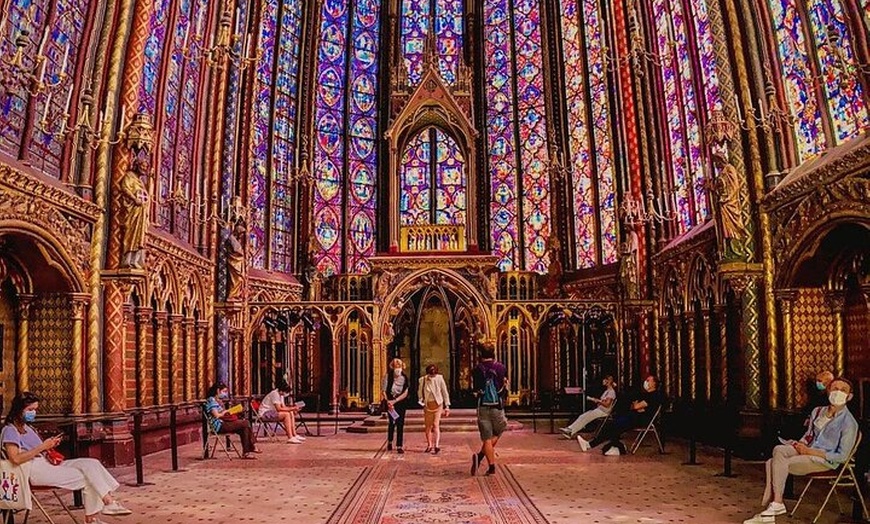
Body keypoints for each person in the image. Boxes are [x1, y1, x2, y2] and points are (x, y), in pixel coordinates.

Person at [1, 392, 132, 523]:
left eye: (35, 409)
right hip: (32, 470)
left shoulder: (28, 428)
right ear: (19, 410)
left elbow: (39, 450)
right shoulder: (10, 430)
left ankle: (106, 505)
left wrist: (49, 445)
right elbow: (16, 459)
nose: (33, 413)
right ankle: (96, 514)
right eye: (30, 410)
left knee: (92, 464)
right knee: (90, 477)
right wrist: (42, 447)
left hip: (46, 462)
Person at [743, 378, 858, 523]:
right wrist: (800, 444)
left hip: (823, 460)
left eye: (843, 390)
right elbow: (809, 435)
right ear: (828, 391)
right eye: (834, 388)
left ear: (849, 396)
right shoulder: (818, 411)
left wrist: (810, 452)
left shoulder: (849, 423)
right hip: (808, 449)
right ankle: (775, 505)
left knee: (775, 463)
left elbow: (841, 456)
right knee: (779, 449)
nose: (837, 392)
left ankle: (774, 505)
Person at [577, 375, 664, 455]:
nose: (646, 382)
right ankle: (600, 445)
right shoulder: (645, 394)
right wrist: (636, 406)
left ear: (654, 384)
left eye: (648, 380)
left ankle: (598, 445)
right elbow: (635, 406)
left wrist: (636, 406)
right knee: (612, 425)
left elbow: (636, 406)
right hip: (634, 416)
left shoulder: (654, 396)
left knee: (613, 426)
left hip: (640, 419)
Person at [471, 345, 508, 476]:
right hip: (497, 406)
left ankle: (489, 465)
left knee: (486, 438)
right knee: (499, 430)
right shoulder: (501, 367)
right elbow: (505, 384)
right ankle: (481, 456)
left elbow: (475, 391)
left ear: (481, 355)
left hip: (483, 406)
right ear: (494, 353)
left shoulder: (477, 369)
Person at [204, 383, 259, 458]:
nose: (225, 394)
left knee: (244, 428)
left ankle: (247, 452)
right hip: (219, 425)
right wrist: (224, 412)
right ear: (218, 391)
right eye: (224, 391)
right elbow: (216, 415)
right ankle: (252, 447)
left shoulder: (217, 400)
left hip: (224, 423)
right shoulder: (211, 400)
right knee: (245, 423)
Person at [418, 364, 450, 454]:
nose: (432, 376)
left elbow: (444, 392)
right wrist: (421, 401)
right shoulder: (423, 380)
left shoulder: (439, 378)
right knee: (428, 426)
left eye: (434, 375)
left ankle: (436, 445)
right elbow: (420, 392)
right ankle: (429, 445)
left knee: (436, 425)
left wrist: (447, 406)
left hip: (438, 404)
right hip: (428, 405)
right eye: (431, 375)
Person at [382, 358, 410, 454]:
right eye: (395, 366)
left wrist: (396, 401)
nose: (397, 368)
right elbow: (384, 391)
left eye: (399, 366)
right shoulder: (388, 376)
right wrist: (388, 402)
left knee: (400, 423)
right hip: (390, 402)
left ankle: (399, 445)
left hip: (400, 402)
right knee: (392, 422)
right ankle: (390, 441)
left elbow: (406, 392)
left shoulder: (404, 378)